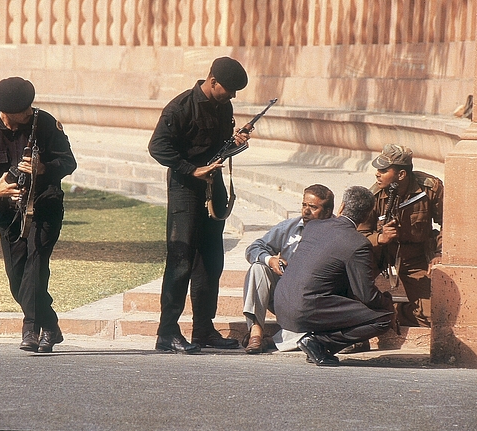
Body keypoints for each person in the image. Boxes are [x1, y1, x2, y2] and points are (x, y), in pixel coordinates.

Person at [0, 77, 77, 353]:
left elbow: (69, 162)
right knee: (17, 279)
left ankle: (30, 330)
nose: (29, 112)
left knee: (35, 264)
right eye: (23, 109)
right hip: (9, 211)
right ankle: (51, 326)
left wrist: (43, 167)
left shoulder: (45, 123)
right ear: (7, 112)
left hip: (45, 204)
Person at [148, 57, 250, 353]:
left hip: (212, 187)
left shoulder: (223, 106)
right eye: (228, 90)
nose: (231, 96)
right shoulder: (180, 107)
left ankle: (203, 329)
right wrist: (190, 169)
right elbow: (158, 146)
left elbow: (219, 148)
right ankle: (167, 332)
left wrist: (237, 142)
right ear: (213, 81)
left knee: (211, 260)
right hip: (185, 189)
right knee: (181, 260)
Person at [274, 186, 395, 366]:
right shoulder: (359, 243)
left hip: (281, 305)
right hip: (305, 310)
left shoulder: (313, 226)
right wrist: (387, 302)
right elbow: (366, 295)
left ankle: (317, 346)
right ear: (368, 215)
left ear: (341, 207)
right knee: (384, 317)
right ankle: (319, 343)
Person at [357, 144, 443, 328]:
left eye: (383, 170)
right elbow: (357, 237)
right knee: (353, 290)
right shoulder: (373, 196)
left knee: (431, 317)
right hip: (380, 254)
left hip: (415, 258)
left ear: (401, 175)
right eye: (378, 170)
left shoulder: (430, 189)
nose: (377, 174)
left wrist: (439, 253)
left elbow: (451, 224)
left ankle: (399, 312)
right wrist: (379, 238)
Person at [242, 184, 334, 354]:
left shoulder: (336, 233)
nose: (306, 211)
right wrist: (271, 261)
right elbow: (254, 248)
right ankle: (255, 332)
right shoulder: (289, 227)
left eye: (313, 207)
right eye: (304, 205)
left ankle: (273, 341)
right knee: (258, 267)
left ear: (328, 212)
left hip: (313, 301)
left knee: (317, 332)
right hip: (283, 295)